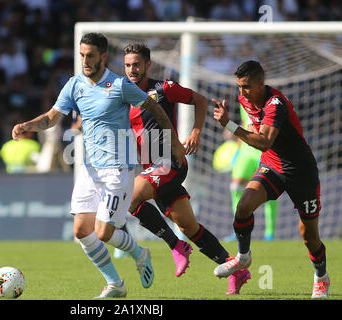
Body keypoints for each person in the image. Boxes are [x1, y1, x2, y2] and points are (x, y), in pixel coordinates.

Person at [12, 33, 186, 298]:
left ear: (103, 56)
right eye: (82, 55)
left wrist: (172, 143)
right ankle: (116, 283)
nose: (85, 60)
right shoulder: (74, 85)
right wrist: (28, 126)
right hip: (90, 169)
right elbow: (51, 118)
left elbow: (156, 108)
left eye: (90, 55)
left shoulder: (119, 85)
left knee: (103, 232)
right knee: (82, 231)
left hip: (118, 169)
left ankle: (139, 253)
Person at [121, 43, 250, 295]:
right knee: (190, 227)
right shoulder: (123, 95)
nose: (132, 69)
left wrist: (196, 133)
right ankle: (236, 269)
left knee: (129, 197)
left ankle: (175, 246)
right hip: (151, 169)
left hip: (170, 161)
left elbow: (200, 101)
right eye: (127, 65)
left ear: (148, 65)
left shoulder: (164, 88)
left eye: (136, 64)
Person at [212, 60, 330, 298]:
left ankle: (321, 277)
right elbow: (262, 143)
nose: (242, 92)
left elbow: (264, 141)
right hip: (273, 166)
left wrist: (230, 125)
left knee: (309, 237)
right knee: (243, 206)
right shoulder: (244, 99)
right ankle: (243, 257)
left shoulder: (276, 104)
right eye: (239, 86)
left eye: (246, 86)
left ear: (260, 83)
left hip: (301, 172)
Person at [225, 103, 279, 242]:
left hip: (263, 149)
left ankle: (270, 233)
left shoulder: (269, 100)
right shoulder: (243, 100)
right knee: (236, 186)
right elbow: (245, 123)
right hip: (246, 150)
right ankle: (238, 229)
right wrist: (237, 149)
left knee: (268, 188)